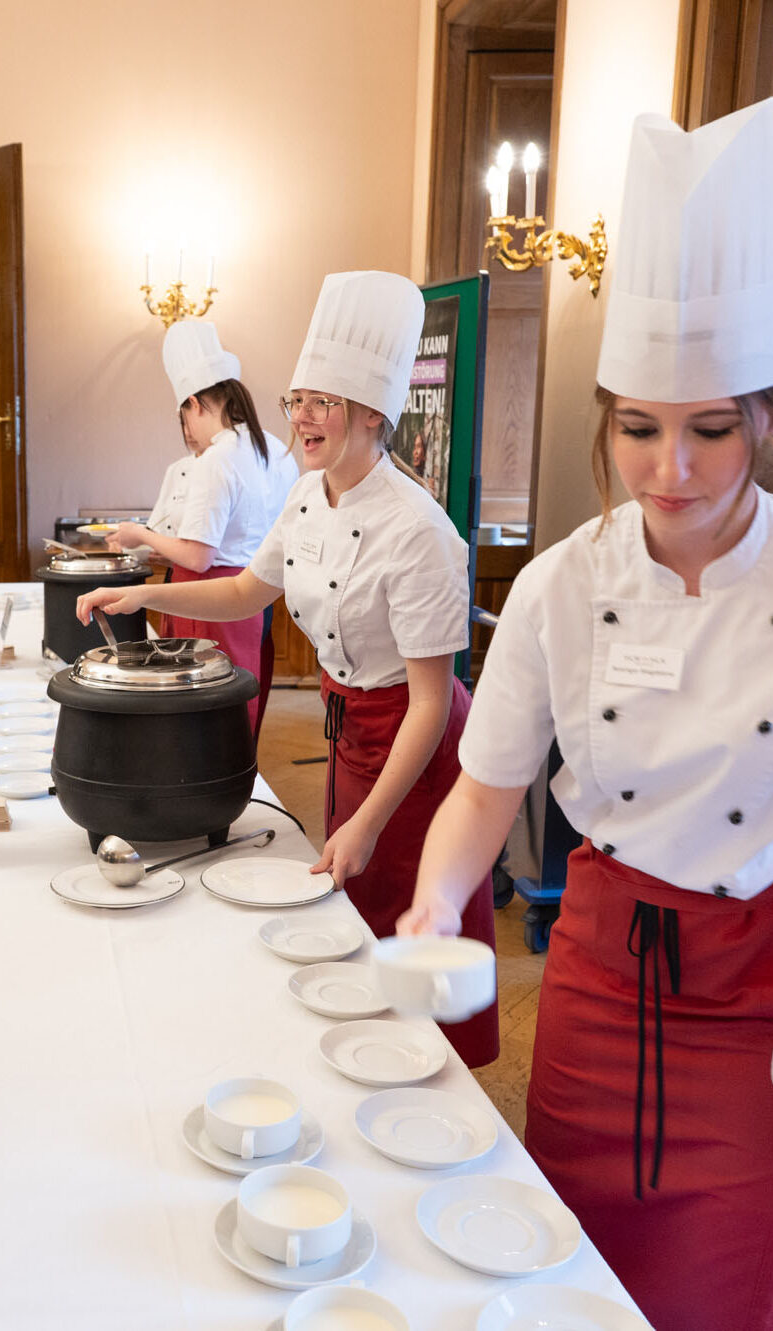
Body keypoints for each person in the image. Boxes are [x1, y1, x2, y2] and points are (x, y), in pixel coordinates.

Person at [398, 101, 773, 1330]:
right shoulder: (565, 578)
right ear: (603, 424)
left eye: (709, 430)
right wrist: (430, 900)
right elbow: (485, 782)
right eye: (639, 429)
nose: (671, 468)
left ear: (760, 420)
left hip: (753, 992)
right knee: (557, 1272)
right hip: (599, 977)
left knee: (716, 1287)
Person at [80, 272, 498, 1068]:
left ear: (372, 413)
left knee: (404, 922)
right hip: (350, 731)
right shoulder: (307, 496)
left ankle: (424, 1084)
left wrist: (368, 820)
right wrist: (132, 585)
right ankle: (363, 1059)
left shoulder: (420, 533)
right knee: (351, 915)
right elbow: (244, 588)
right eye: (296, 398)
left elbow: (430, 704)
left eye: (323, 401)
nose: (301, 416)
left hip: (418, 750)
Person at [107, 320, 295, 736]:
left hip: (211, 599)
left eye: (184, 416)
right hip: (259, 594)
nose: (188, 430)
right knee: (242, 699)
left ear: (193, 403)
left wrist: (139, 535)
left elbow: (198, 555)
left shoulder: (218, 457)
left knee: (205, 714)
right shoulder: (276, 449)